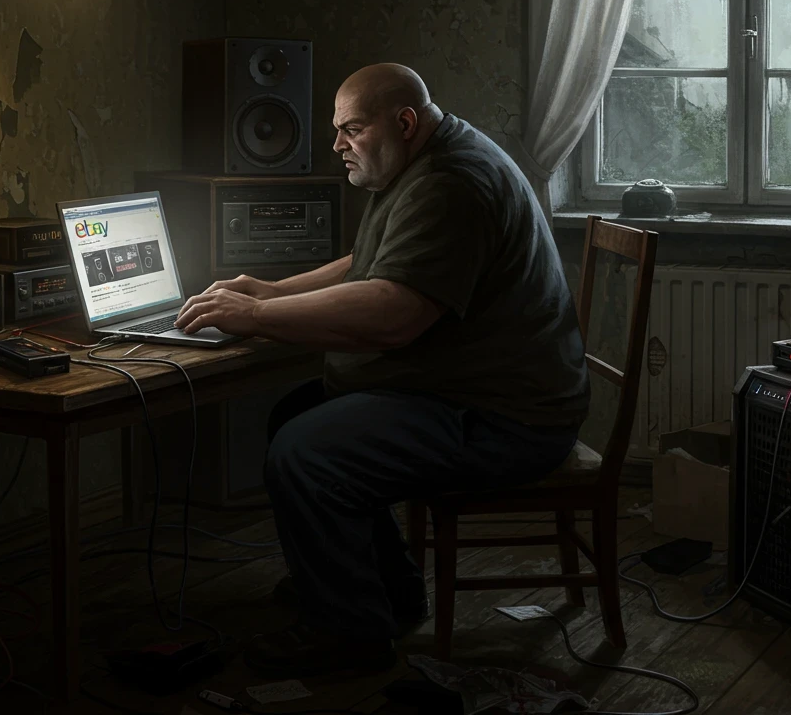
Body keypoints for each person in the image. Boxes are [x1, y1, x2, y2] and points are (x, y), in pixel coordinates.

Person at [174, 63, 589, 675]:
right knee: (299, 412)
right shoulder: (428, 158)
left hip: (506, 419)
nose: (337, 144)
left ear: (404, 122)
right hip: (481, 394)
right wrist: (273, 290)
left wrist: (258, 315)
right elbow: (369, 261)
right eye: (337, 130)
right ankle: (382, 589)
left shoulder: (452, 183)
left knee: (307, 451)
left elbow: (394, 312)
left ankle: (348, 633)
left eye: (351, 129)